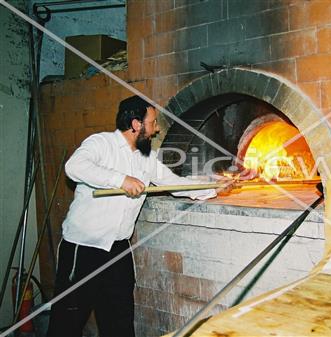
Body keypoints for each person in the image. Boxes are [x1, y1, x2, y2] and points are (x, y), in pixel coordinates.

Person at [47, 95, 218, 337]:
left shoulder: (146, 158)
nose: (157, 129)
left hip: (118, 251)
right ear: (136, 124)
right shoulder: (100, 143)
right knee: (67, 324)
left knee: (120, 324)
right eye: (153, 123)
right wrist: (120, 179)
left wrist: (211, 188)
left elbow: (173, 182)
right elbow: (74, 167)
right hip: (83, 249)